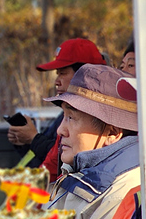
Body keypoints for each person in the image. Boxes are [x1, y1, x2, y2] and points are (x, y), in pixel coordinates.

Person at [43, 64, 139, 219]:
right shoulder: (85, 175)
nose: (60, 130)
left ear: (112, 133)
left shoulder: (117, 195)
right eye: (63, 116)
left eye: (71, 118)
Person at [7, 38, 105, 181]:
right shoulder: (63, 113)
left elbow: (62, 160)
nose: (56, 81)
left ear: (85, 74)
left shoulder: (101, 116)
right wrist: (25, 143)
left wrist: (34, 139)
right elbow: (51, 162)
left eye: (62, 73)